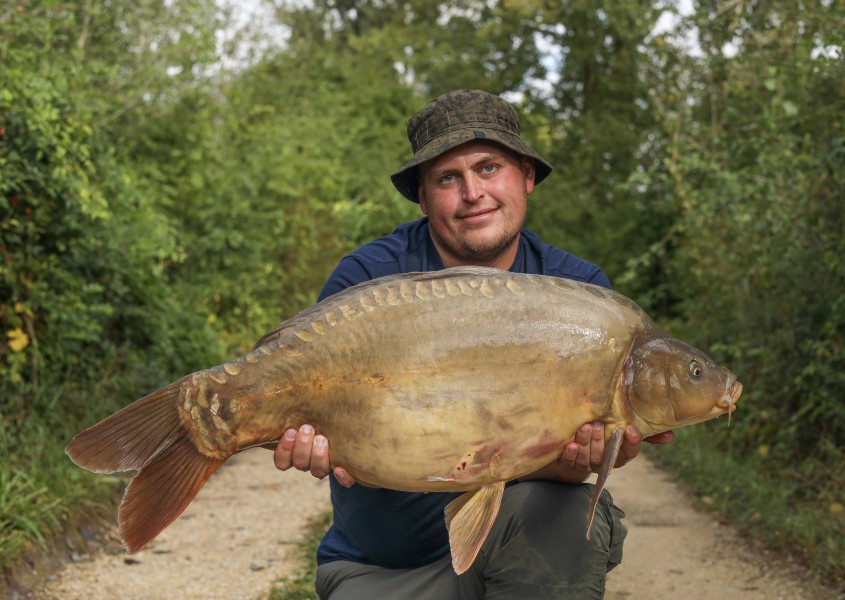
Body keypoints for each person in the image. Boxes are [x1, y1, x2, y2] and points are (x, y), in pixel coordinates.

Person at [272, 89, 674, 599]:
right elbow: (345, 443)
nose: (472, 193)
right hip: (383, 574)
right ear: (423, 196)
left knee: (571, 515)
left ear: (526, 176)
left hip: (516, 550)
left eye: (489, 168)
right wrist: (322, 443)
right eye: (447, 178)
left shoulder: (582, 295)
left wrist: (580, 459)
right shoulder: (368, 279)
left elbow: (558, 462)